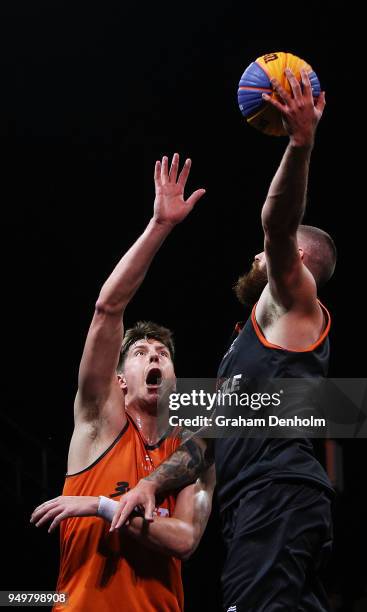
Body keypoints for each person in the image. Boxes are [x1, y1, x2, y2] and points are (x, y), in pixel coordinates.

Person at [110, 69, 337, 611]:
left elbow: (277, 225)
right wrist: (150, 486)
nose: (255, 257)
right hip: (258, 505)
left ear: (299, 263)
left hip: (275, 493)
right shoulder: (245, 346)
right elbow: (203, 444)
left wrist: (300, 144)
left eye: (267, 255)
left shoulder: (293, 301)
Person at [31, 154, 215, 612]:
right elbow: (107, 311)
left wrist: (101, 506)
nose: (155, 356)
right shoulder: (100, 421)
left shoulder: (190, 450)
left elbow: (186, 539)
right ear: (120, 380)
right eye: (140, 353)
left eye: (163, 354)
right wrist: (160, 226)